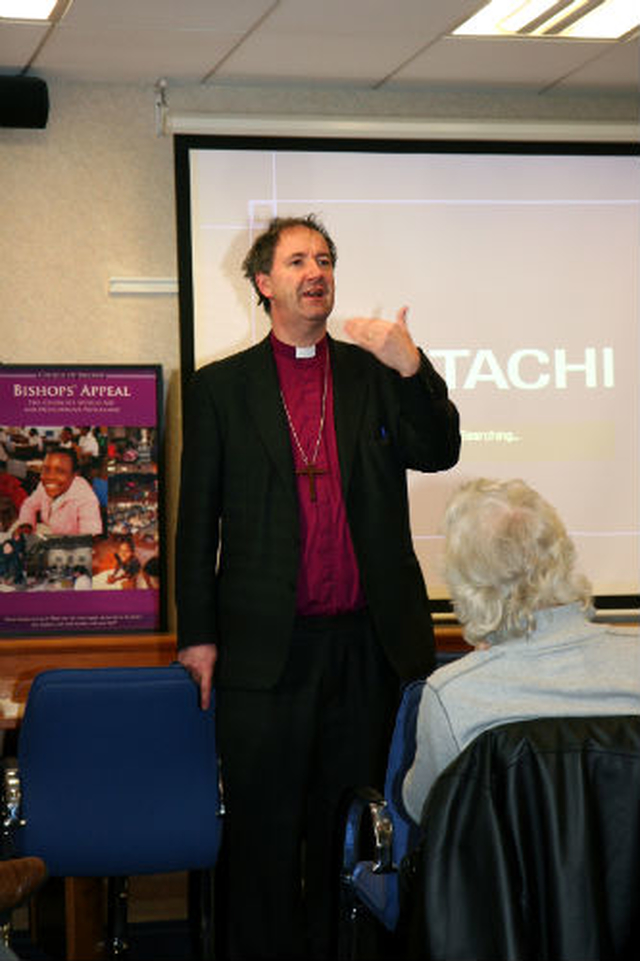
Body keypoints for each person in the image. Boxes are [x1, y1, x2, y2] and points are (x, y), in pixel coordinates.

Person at [175, 214, 461, 960]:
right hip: (264, 654)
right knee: (265, 838)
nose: (317, 271)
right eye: (299, 260)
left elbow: (438, 450)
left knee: (358, 836)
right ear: (265, 282)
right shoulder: (219, 389)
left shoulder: (373, 373)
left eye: (326, 259)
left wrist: (412, 366)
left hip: (367, 648)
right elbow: (195, 518)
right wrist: (198, 636)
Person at [402, 477, 640, 824]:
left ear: (468, 583)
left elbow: (423, 809)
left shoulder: (454, 695)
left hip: (503, 878)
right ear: (562, 553)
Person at [16, 447, 103, 537]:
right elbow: (29, 505)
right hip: (49, 537)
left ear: (74, 475)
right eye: (46, 469)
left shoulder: (86, 499)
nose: (50, 477)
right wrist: (26, 524)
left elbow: (90, 539)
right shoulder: (44, 486)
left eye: (60, 471)